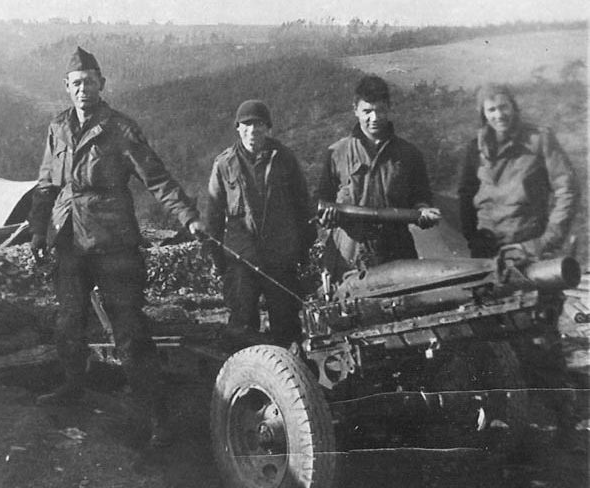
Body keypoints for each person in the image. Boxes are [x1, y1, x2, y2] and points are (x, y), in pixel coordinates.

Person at [28, 47, 206, 448]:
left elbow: (156, 179)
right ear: (66, 88)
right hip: (68, 238)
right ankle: (73, 385)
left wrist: (188, 216)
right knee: (69, 322)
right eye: (76, 84)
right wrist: (39, 231)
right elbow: (45, 185)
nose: (83, 90)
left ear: (102, 84)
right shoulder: (57, 128)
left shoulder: (121, 129)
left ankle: (156, 414)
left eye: (90, 82)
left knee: (129, 331)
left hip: (113, 243)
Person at [206, 100, 315, 346]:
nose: (253, 130)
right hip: (242, 260)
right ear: (237, 128)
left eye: (259, 124)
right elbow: (213, 217)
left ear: (268, 128)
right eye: (246, 124)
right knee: (242, 326)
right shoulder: (223, 164)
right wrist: (216, 259)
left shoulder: (284, 159)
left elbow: (302, 207)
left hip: (280, 258)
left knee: (287, 326)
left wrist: (302, 250)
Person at [316, 75, 441, 279]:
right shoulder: (336, 153)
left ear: (389, 109)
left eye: (380, 110)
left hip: (397, 254)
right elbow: (322, 201)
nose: (374, 118)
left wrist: (423, 211)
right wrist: (327, 215)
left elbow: (421, 197)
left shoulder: (409, 154)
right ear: (355, 109)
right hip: (349, 257)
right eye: (367, 111)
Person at [458, 83, 576, 260]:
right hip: (486, 248)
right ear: (483, 114)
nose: (499, 115)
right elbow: (465, 194)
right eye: (491, 110)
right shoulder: (475, 147)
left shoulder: (539, 139)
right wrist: (472, 238)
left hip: (528, 246)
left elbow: (567, 189)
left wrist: (547, 240)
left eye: (503, 107)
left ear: (513, 106)